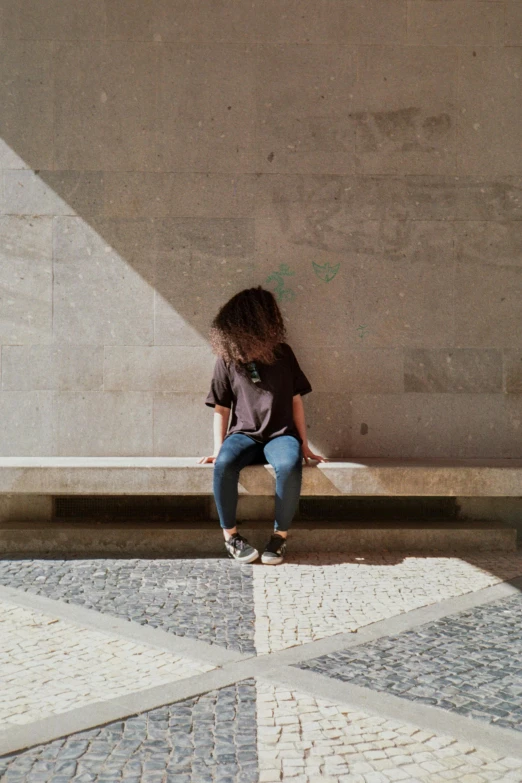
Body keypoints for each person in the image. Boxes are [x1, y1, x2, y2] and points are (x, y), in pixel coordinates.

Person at [197, 285, 327, 565]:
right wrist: (219, 449)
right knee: (224, 465)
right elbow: (221, 408)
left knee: (289, 465)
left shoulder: (284, 354)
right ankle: (231, 537)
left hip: (281, 435)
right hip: (243, 435)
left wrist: (304, 444)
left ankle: (279, 538)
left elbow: (296, 402)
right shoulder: (228, 358)